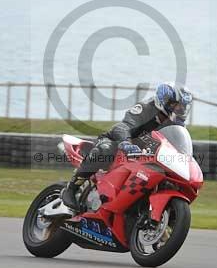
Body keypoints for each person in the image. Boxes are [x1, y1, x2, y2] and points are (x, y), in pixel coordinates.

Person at [60, 82, 193, 210]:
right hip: (120, 143)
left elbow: (176, 144)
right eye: (175, 105)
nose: (179, 109)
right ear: (164, 101)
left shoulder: (176, 124)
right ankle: (71, 189)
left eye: (182, 106)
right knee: (105, 150)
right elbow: (123, 127)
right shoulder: (145, 108)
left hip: (145, 154)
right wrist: (125, 142)